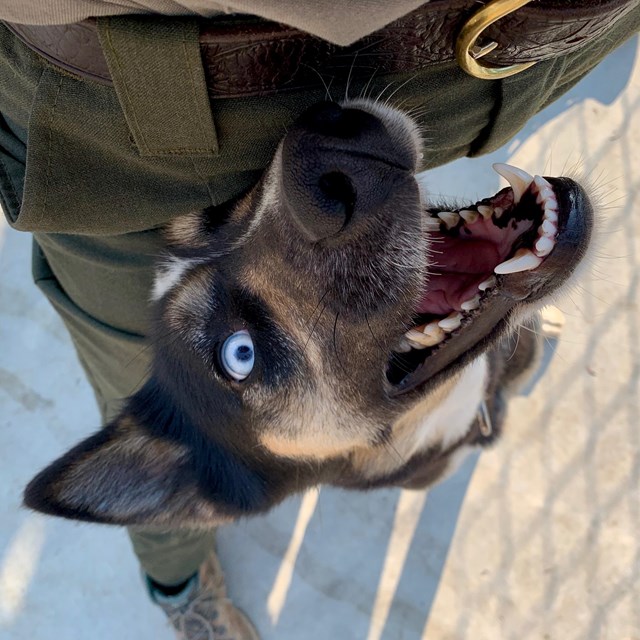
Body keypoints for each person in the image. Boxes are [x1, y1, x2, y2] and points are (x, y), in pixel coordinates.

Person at [1, 2, 639, 638]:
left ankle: (491, 361)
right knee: (125, 373)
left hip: (400, 47)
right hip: (90, 134)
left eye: (229, 218)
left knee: (473, 345)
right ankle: (179, 585)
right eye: (240, 354)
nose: (302, 196)